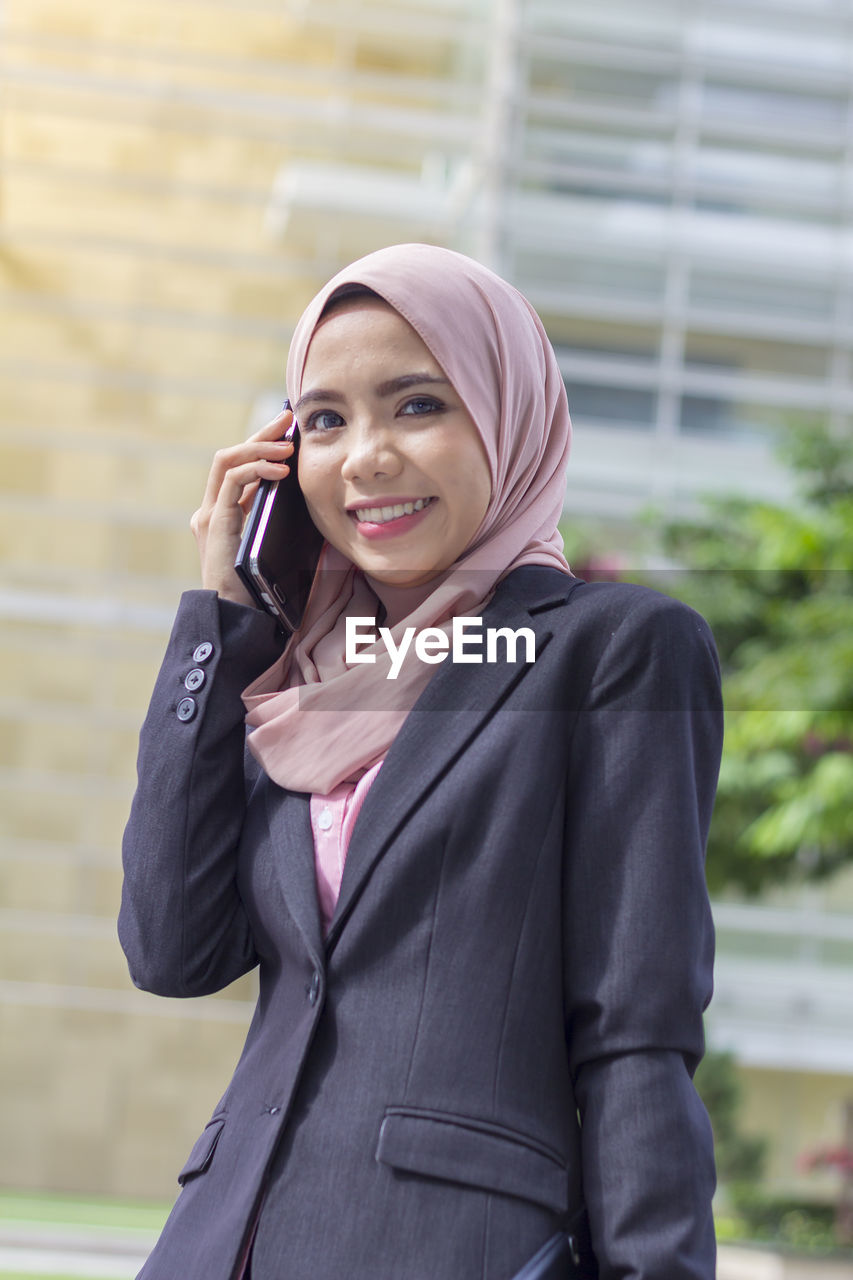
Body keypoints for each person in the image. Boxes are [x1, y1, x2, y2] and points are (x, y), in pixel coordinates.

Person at [119, 243, 723, 1280]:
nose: (364, 457)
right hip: (221, 1243)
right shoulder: (293, 680)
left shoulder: (613, 648)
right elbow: (173, 949)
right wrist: (220, 626)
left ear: (506, 413)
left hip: (450, 1246)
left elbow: (636, 1022)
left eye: (416, 405)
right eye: (322, 420)